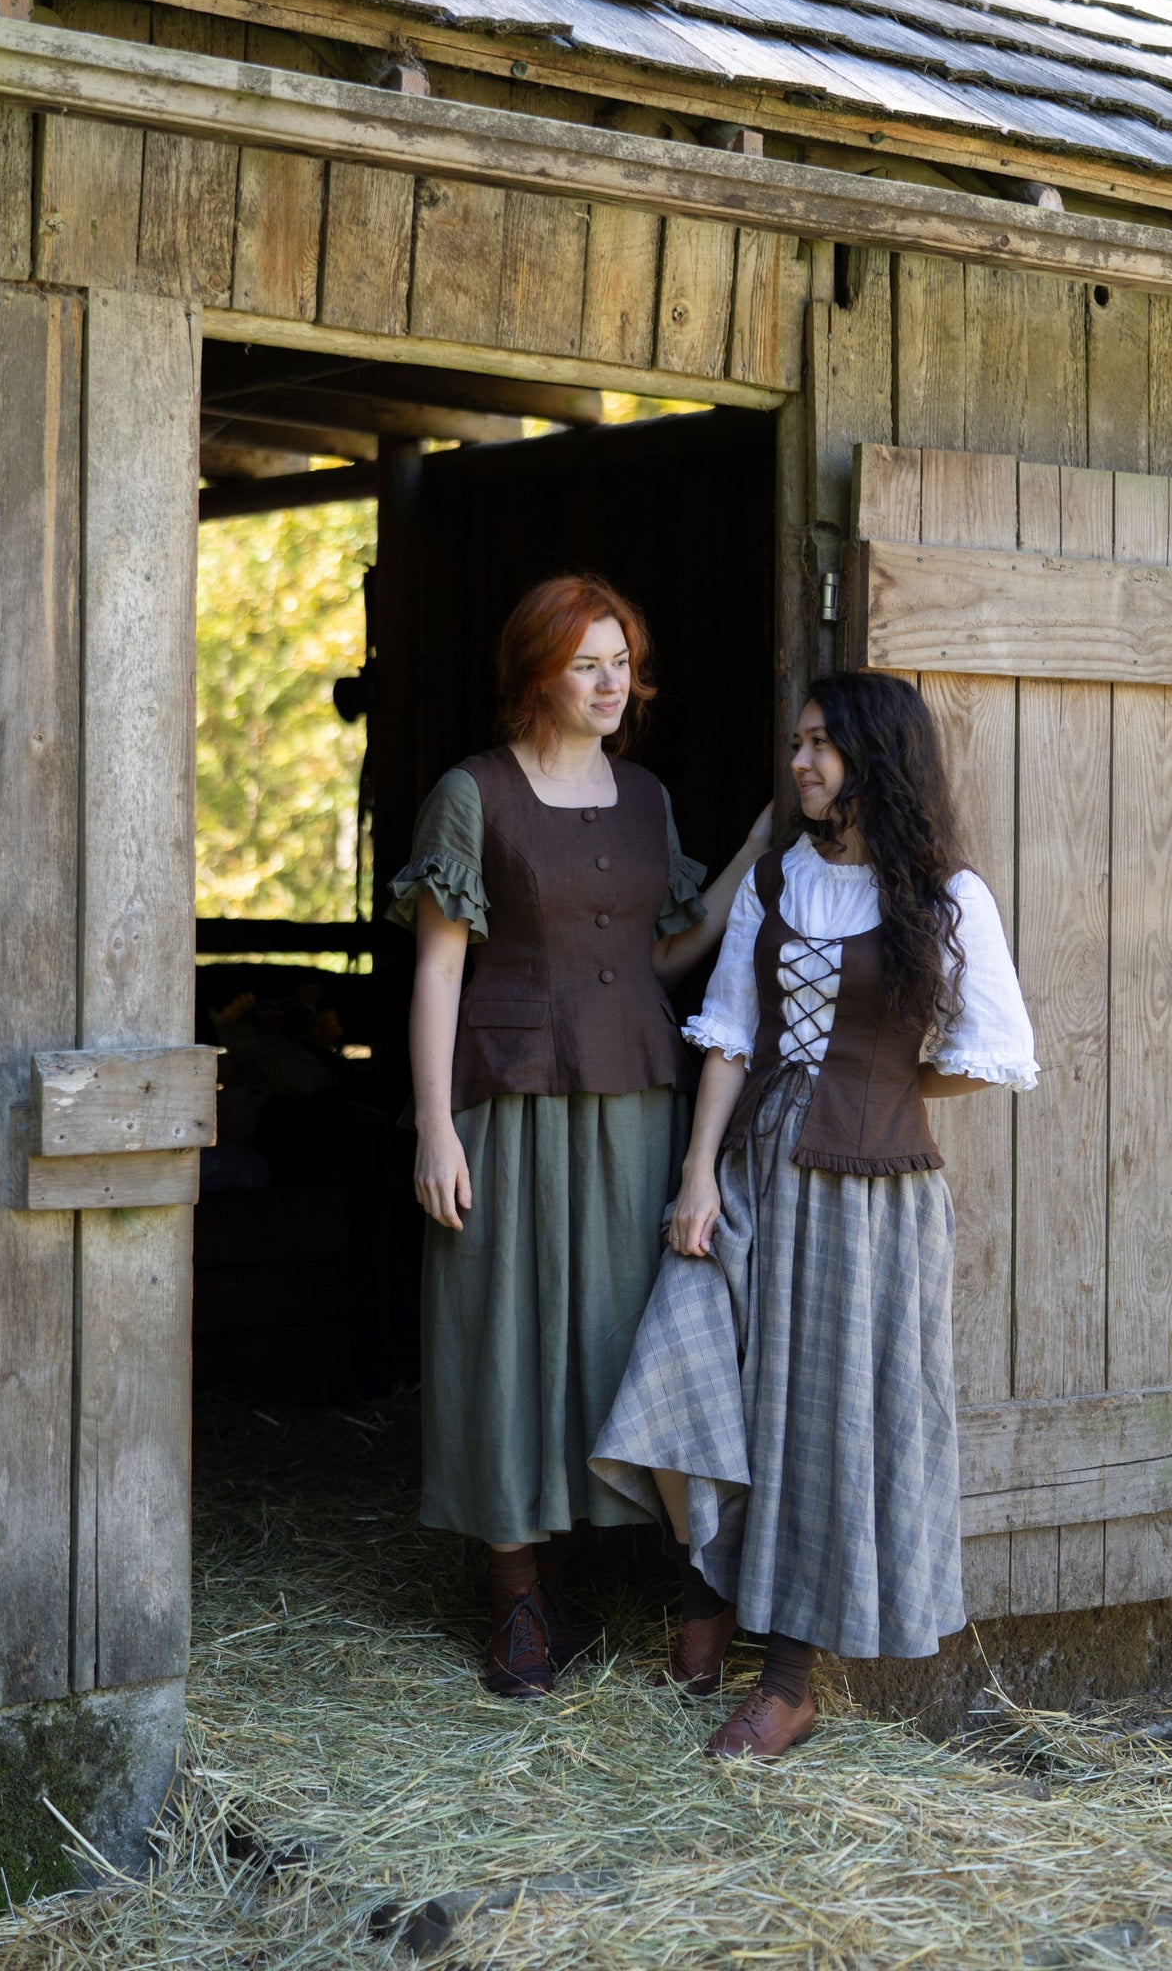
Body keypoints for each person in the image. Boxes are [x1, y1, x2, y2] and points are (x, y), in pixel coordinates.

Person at [591, 672, 1039, 1760]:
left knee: (823, 1427)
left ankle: (786, 1681)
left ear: (876, 759)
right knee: (680, 1362)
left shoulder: (944, 894)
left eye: (823, 746)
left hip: (870, 1200)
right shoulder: (781, 877)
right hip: (755, 1165)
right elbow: (731, 1031)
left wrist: (882, 1089)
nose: (801, 763)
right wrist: (696, 1173)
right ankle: (706, 1583)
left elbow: (996, 1051)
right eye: (796, 742)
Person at [388, 574, 772, 1699]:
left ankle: (648, 1566)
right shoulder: (472, 793)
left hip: (632, 1100)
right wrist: (429, 1128)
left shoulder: (647, 796)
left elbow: (661, 956)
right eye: (586, 663)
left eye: (621, 661)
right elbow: (438, 966)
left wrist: (751, 850)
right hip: (502, 1103)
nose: (612, 683)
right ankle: (516, 1591)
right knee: (499, 1330)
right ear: (535, 674)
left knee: (625, 1328)